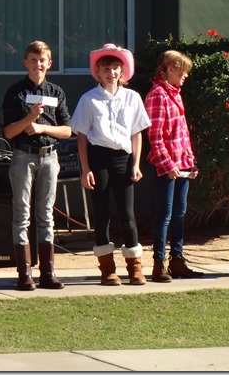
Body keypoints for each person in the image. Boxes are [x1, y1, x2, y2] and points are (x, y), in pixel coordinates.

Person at [71, 43, 151, 286]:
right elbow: (82, 137)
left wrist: (135, 164)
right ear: (97, 72)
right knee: (102, 213)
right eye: (106, 68)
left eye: (115, 68)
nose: (111, 73)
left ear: (122, 70)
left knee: (127, 214)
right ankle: (107, 269)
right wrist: (86, 169)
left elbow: (137, 133)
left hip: (123, 159)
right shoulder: (89, 99)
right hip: (98, 158)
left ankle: (135, 267)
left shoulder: (132, 97)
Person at [2, 40, 72, 291]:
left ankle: (48, 272)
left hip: (50, 157)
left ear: (49, 63)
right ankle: (25, 273)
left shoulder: (56, 92)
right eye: (33, 60)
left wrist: (42, 128)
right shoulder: (16, 92)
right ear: (26, 62)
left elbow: (67, 130)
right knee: (22, 215)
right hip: (23, 156)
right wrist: (29, 118)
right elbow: (8, 132)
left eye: (42, 60)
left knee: (46, 215)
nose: (38, 65)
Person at [144, 50, 203, 283]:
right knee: (165, 215)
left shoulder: (175, 94)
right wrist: (168, 164)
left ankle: (177, 260)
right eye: (182, 70)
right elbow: (155, 136)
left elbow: (183, 135)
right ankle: (159, 263)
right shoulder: (157, 95)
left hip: (182, 164)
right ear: (169, 68)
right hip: (166, 166)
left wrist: (191, 162)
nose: (185, 75)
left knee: (180, 213)